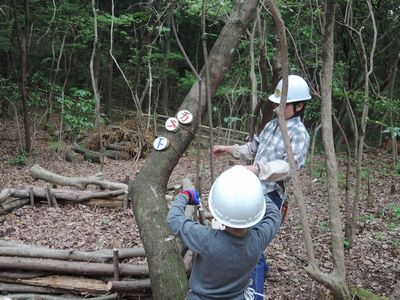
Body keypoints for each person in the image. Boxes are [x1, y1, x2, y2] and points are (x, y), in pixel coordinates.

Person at [213, 74, 312, 298]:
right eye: (276, 103)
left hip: (272, 196)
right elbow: (254, 147)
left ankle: (254, 294)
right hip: (252, 190)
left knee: (251, 250)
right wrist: (230, 149)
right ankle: (262, 269)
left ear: (299, 106)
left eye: (283, 104)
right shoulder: (271, 125)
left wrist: (259, 169)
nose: (277, 107)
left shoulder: (299, 134)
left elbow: (289, 168)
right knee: (250, 240)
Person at [167, 165, 281, 300]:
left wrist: (185, 195)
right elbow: (274, 215)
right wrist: (254, 191)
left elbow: (173, 219)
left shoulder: (205, 239)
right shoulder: (258, 241)